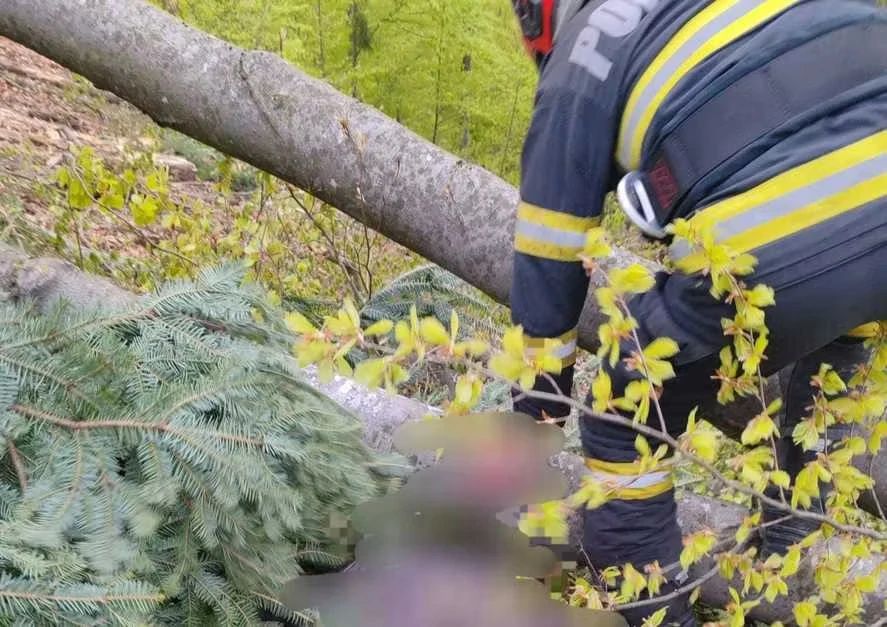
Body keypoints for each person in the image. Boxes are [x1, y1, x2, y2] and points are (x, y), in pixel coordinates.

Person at [508, 1, 887, 625]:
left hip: (779, 232)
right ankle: (789, 541)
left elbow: (550, 243)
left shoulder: (587, 46)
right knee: (839, 348)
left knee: (624, 403)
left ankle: (661, 610)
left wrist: (536, 414)